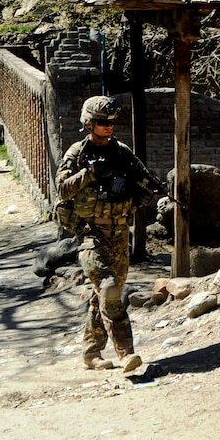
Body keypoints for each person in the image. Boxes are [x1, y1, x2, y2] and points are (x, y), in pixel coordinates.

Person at [55, 95, 153, 373]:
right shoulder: (77, 153)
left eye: (111, 122)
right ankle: (126, 353)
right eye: (101, 122)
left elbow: (144, 180)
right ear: (88, 123)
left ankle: (91, 352)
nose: (108, 127)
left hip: (120, 231)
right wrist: (91, 173)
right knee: (110, 290)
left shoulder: (122, 152)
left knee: (105, 295)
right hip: (90, 232)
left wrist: (141, 195)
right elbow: (61, 189)